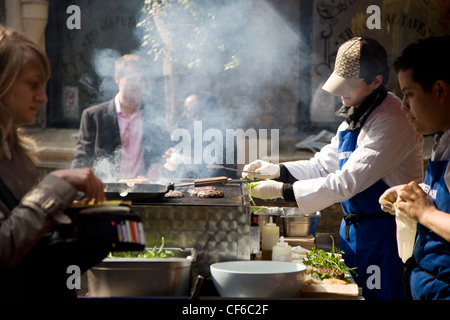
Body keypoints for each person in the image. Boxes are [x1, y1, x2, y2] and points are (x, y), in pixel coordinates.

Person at [242, 37, 424, 300]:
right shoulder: (356, 113)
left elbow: (346, 182)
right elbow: (322, 165)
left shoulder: (393, 120)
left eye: (349, 85)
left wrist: (283, 191)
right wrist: (276, 170)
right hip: (355, 235)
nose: (341, 93)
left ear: (376, 81)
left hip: (386, 237)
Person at [0, 25, 108, 300]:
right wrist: (54, 185)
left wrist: (83, 236)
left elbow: (29, 250)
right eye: (33, 84)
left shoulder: (16, 155)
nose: (43, 97)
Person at [379, 36, 450, 300]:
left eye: (409, 94)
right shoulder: (443, 139)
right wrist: (414, 194)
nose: (403, 105)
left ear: (440, 90)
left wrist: (425, 212)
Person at [72, 54, 171, 181]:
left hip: (145, 190)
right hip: (108, 192)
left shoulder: (154, 114)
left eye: (142, 79)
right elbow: (82, 160)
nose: (138, 84)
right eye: (132, 79)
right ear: (118, 78)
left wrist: (159, 164)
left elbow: (163, 150)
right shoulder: (94, 116)